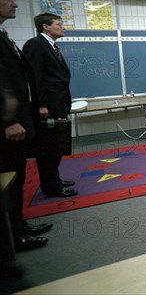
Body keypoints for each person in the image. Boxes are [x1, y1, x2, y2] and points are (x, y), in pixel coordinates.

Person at [0, 0, 52, 251]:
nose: (15, 3)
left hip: (20, 120)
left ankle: (19, 226)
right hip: (8, 125)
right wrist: (7, 120)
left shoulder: (4, 34)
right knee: (8, 181)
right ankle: (13, 236)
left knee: (17, 178)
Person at [23, 13, 77, 197]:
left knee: (56, 146)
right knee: (47, 149)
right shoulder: (35, 44)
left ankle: (54, 180)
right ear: (46, 27)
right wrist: (41, 105)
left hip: (58, 102)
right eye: (59, 24)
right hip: (47, 106)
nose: (63, 27)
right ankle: (51, 187)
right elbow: (34, 77)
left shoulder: (52, 46)